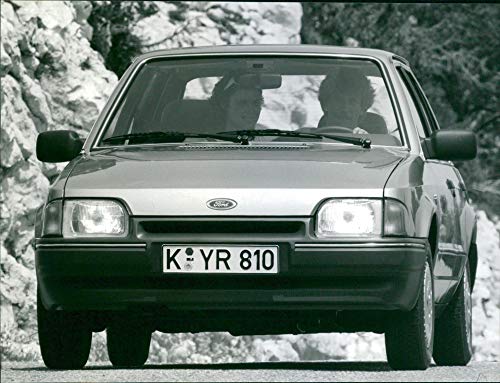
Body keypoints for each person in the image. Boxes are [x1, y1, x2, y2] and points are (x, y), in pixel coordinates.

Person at [317, 67, 376, 134]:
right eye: (338, 100)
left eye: (352, 102)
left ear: (362, 109)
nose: (345, 108)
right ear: (326, 104)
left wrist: (365, 140)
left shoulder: (368, 142)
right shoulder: (308, 139)